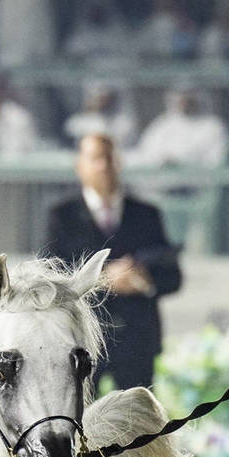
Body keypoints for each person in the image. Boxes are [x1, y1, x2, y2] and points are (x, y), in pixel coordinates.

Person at [42, 132, 181, 392]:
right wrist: (104, 279)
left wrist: (143, 279)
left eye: (108, 158)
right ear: (79, 166)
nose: (103, 166)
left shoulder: (147, 214)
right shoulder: (61, 216)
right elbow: (51, 278)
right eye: (95, 158)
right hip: (82, 341)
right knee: (79, 413)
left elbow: (172, 277)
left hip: (137, 341)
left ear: (119, 162)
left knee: (137, 415)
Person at [132, 88, 229, 167]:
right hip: (160, 182)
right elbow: (146, 153)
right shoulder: (163, 124)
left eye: (189, 100)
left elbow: (215, 162)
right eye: (181, 100)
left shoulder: (213, 126)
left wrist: (180, 162)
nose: (185, 104)